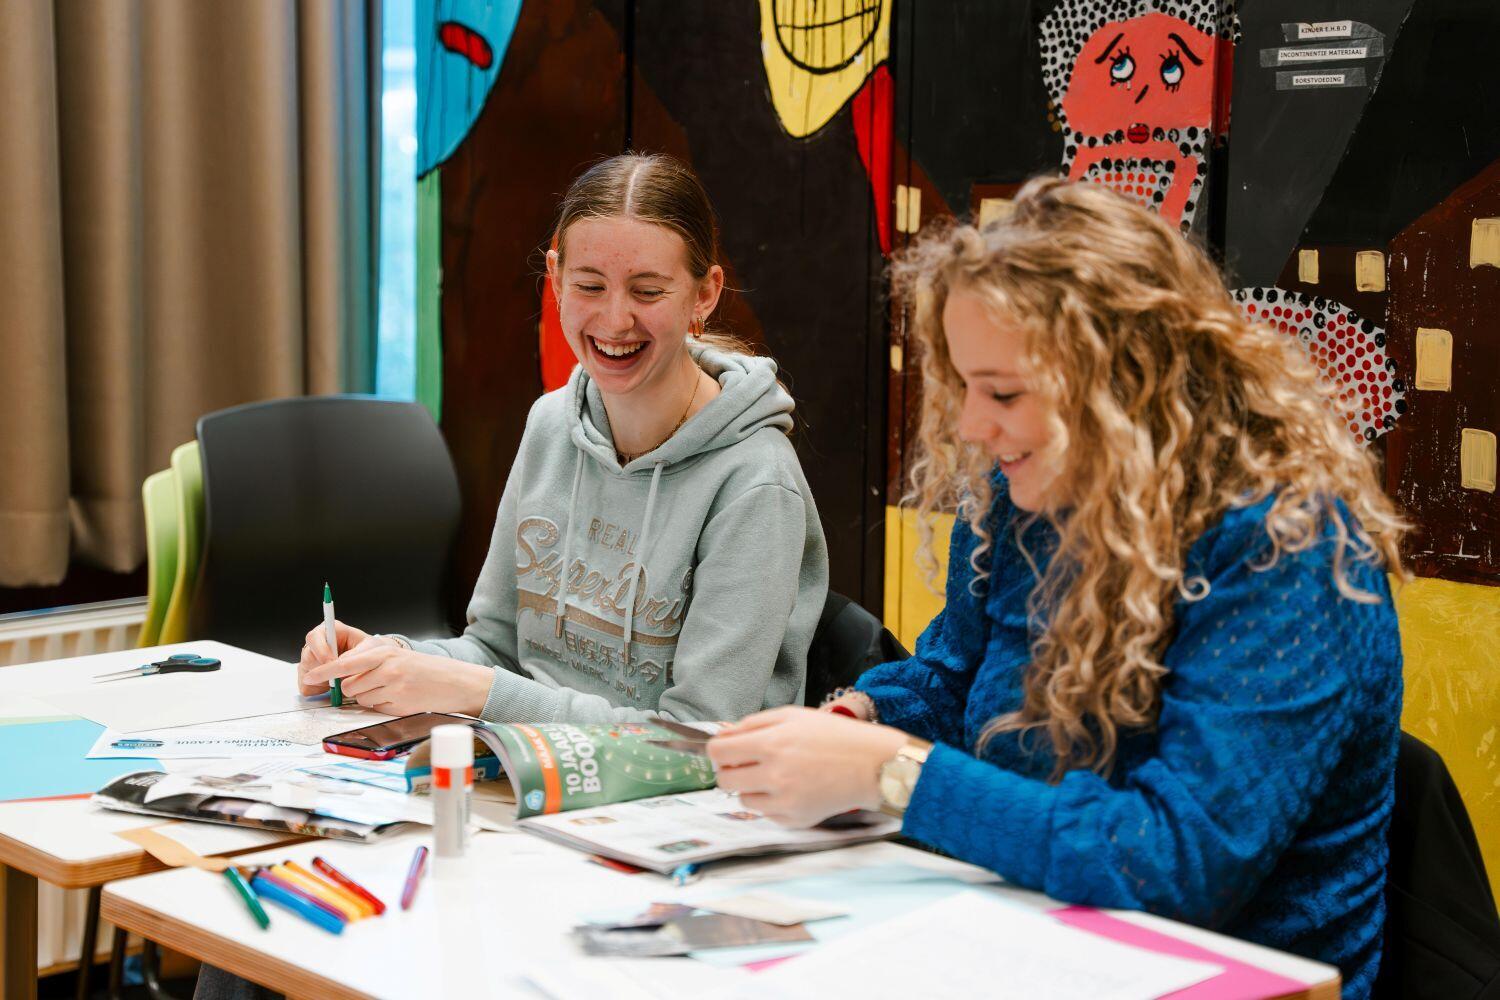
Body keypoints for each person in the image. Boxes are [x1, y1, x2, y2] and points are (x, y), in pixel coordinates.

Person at [707, 177, 1407, 998]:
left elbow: (1168, 867)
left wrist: (891, 772)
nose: (970, 426)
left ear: (1125, 381)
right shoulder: (1034, 494)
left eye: (1003, 392)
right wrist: (861, 717)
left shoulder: (1287, 548)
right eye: (964, 387)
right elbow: (956, 677)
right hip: (1021, 934)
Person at [299, 153, 828, 724]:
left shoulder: (756, 481)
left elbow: (698, 736)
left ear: (705, 294)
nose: (615, 319)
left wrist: (474, 691)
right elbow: (496, 651)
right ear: (555, 280)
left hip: (684, 804)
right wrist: (389, 658)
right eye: (589, 285)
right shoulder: (553, 423)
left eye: (648, 291)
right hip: (533, 780)